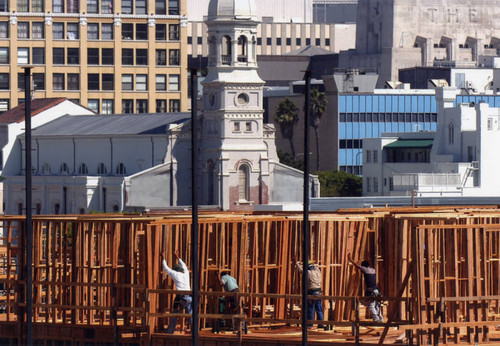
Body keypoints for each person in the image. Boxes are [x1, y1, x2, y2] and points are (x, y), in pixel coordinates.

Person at [161, 251, 192, 334]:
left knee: (174, 314)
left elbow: (166, 269)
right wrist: (178, 257)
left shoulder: (176, 274)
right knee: (190, 314)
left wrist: (163, 258)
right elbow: (184, 265)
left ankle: (170, 331)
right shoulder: (186, 273)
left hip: (182, 298)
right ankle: (194, 331)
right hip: (189, 297)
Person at [348, 254, 383, 322]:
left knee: (371, 305)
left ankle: (376, 318)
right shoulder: (373, 270)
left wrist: (351, 260)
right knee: (377, 305)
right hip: (376, 290)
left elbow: (357, 266)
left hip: (372, 290)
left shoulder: (365, 270)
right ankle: (380, 319)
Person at [293, 257, 324, 328]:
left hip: (312, 292)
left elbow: (301, 270)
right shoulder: (318, 271)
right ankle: (321, 324)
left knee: (310, 308)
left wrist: (297, 263)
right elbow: (315, 266)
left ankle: (310, 324)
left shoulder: (308, 273)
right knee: (319, 309)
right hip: (319, 291)